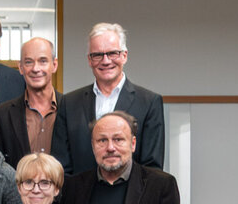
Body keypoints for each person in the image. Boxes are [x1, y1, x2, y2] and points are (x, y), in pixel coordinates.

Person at [51, 22, 164, 175]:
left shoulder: (149, 102)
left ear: (124, 56)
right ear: (90, 60)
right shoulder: (69, 103)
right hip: (81, 197)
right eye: (97, 55)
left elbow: (152, 168)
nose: (105, 61)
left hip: (131, 197)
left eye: (112, 53)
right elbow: (61, 166)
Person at [0, 37, 62, 170]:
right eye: (29, 62)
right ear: (20, 67)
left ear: (54, 65)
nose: (36, 68)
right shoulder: (0, 116)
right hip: (16, 190)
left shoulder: (71, 108)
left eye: (43, 61)